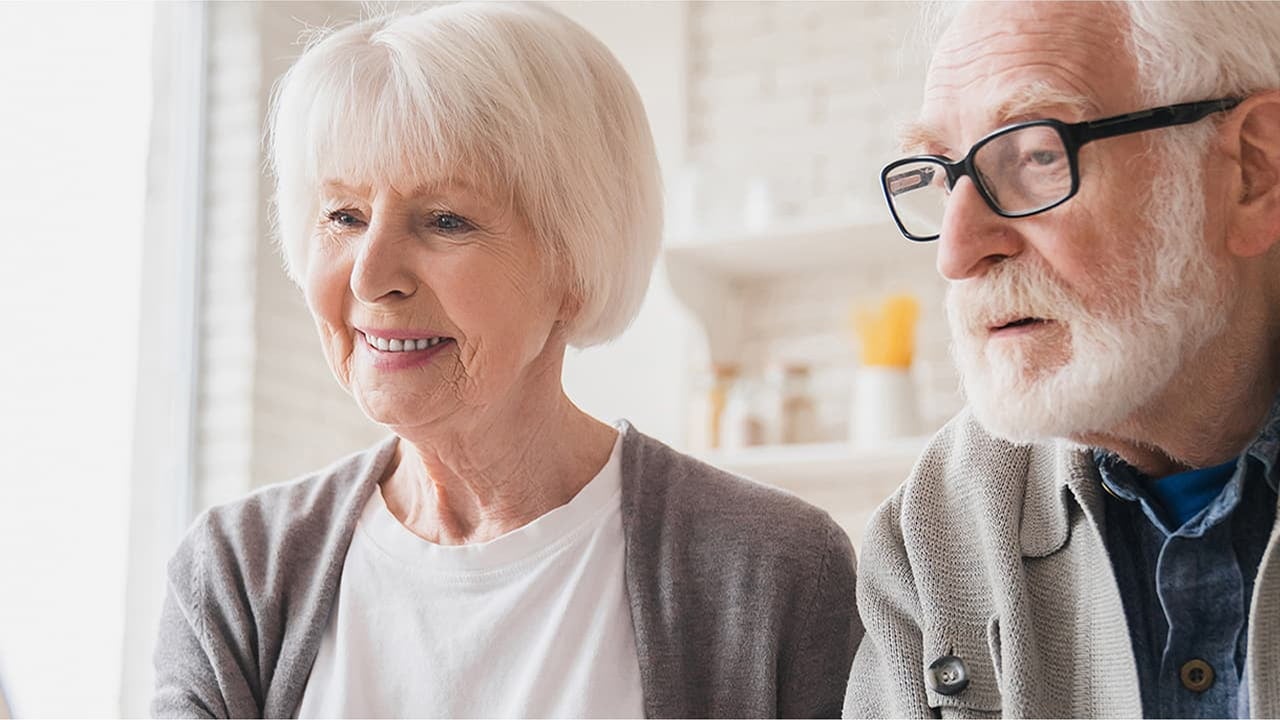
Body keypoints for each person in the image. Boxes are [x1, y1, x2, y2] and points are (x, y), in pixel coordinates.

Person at [151, 3, 861, 717]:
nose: (370, 277)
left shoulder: (774, 571)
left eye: (445, 220)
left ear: (574, 265)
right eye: (344, 216)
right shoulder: (236, 571)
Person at [846, 1, 1280, 717]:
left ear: (1252, 172)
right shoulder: (932, 530)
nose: (956, 252)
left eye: (1036, 155)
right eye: (946, 177)